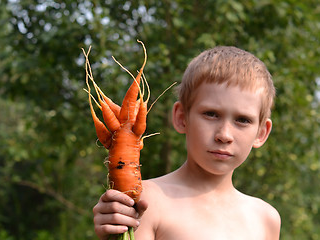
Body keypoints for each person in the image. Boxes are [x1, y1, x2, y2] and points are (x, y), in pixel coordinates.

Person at [93, 46, 281, 240]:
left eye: (242, 120)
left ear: (261, 132)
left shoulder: (266, 219)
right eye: (211, 114)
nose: (224, 135)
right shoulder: (147, 201)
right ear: (182, 117)